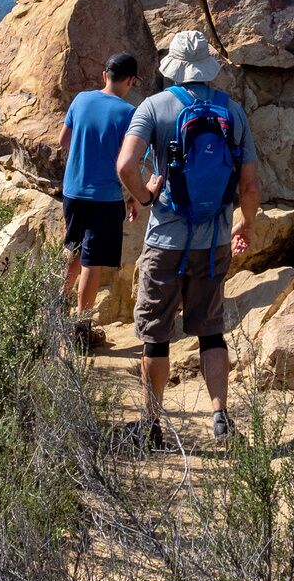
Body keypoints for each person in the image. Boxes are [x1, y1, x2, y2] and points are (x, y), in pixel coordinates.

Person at [114, 30, 259, 446]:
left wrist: (144, 196)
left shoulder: (154, 107)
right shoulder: (232, 111)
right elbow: (249, 186)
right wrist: (244, 224)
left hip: (165, 240)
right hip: (213, 241)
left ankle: (153, 424)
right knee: (211, 330)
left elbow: (126, 165)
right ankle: (220, 418)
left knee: (155, 335)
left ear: (175, 68)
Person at [57, 51, 145, 346]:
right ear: (131, 80)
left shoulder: (81, 100)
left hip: (73, 191)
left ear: (105, 75)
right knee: (91, 263)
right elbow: (127, 162)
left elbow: (63, 141)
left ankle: (56, 307)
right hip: (104, 197)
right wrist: (133, 198)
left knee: (73, 249)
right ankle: (81, 330)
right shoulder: (128, 113)